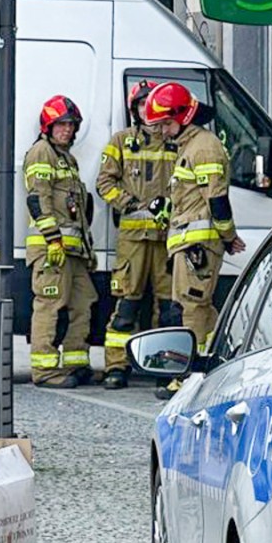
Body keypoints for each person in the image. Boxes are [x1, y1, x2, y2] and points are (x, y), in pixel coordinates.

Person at [140, 82, 244, 391]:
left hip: (197, 245)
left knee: (192, 307)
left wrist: (228, 236)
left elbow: (216, 200)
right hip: (187, 244)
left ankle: (189, 378)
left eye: (166, 124)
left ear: (184, 116)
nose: (163, 132)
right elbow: (191, 200)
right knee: (199, 306)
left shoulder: (204, 146)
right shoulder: (189, 146)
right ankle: (214, 362)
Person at [95, 82, 177, 389]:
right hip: (132, 241)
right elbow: (104, 183)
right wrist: (130, 203)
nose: (147, 109)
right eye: (141, 104)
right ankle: (116, 367)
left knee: (168, 307)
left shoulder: (175, 140)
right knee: (126, 304)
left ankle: (164, 367)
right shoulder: (121, 141)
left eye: (151, 104)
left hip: (168, 238)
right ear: (134, 109)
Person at [23, 96, 98, 388]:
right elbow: (37, 199)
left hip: (73, 250)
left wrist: (87, 250)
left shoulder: (67, 159)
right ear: (48, 126)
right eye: (61, 124)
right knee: (50, 304)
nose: (67, 130)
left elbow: (76, 210)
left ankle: (75, 364)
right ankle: (44, 371)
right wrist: (53, 240)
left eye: (71, 125)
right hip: (51, 248)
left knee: (84, 301)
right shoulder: (42, 153)